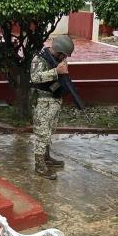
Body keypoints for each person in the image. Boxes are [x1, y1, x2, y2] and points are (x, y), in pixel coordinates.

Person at [30, 33, 75, 179]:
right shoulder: (39, 59)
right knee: (42, 134)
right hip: (43, 102)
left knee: (49, 132)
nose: (65, 58)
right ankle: (39, 166)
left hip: (54, 100)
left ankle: (46, 157)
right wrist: (56, 71)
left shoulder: (57, 60)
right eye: (64, 55)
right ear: (59, 51)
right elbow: (35, 77)